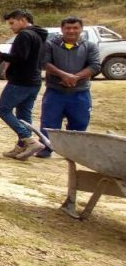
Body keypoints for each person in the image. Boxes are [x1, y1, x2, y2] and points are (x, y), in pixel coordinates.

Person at [36, 16, 100, 159]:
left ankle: (73, 152)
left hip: (80, 92)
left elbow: (95, 66)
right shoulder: (50, 45)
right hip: (55, 91)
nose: (71, 31)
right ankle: (46, 148)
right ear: (62, 29)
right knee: (49, 122)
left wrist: (75, 78)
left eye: (75, 28)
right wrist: (63, 75)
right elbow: (44, 63)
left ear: (81, 29)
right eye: (68, 28)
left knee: (80, 122)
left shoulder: (89, 46)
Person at [0, 9, 48, 160]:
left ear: (22, 20)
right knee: (23, 115)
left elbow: (20, 57)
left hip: (21, 81)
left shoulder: (25, 35)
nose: (11, 27)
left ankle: (29, 140)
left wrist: (0, 55)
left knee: (3, 110)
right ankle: (22, 146)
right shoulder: (39, 35)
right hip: (34, 81)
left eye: (12, 23)